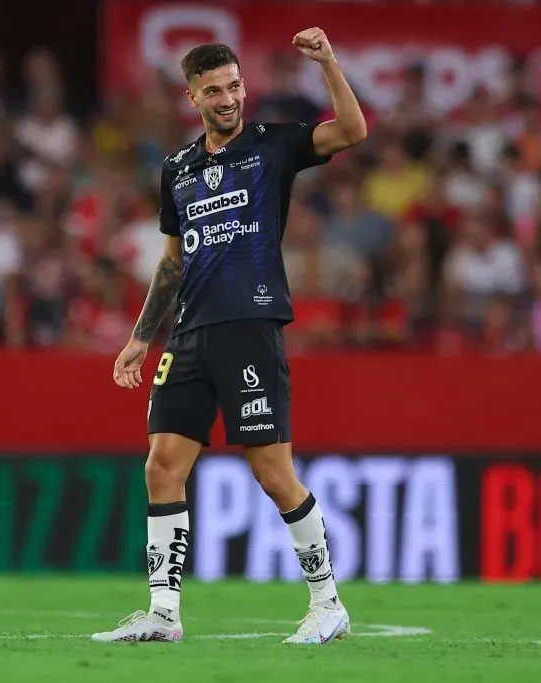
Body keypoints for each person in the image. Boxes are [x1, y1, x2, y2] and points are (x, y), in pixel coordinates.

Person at [93, 28, 367, 645]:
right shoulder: (178, 170)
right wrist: (142, 336)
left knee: (273, 474)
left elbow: (352, 131)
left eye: (235, 85)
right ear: (193, 98)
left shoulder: (273, 145)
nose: (228, 97)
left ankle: (328, 604)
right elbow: (171, 263)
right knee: (162, 467)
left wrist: (327, 62)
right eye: (214, 89)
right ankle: (163, 615)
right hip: (189, 335)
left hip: (250, 326)